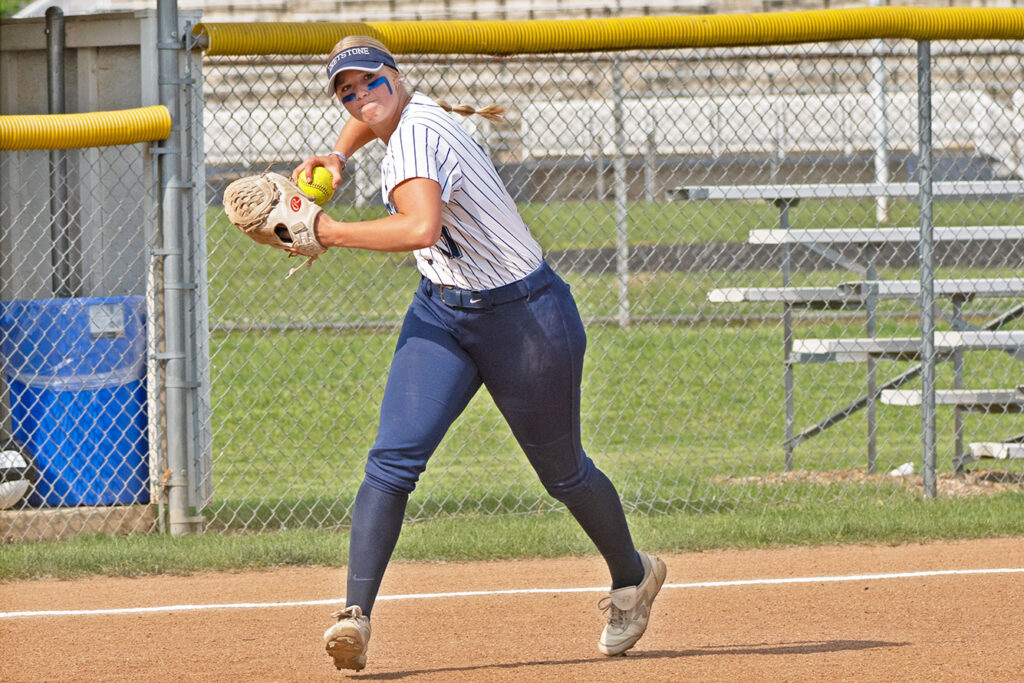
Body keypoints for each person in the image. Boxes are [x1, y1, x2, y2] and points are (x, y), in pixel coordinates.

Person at [292, 36, 666, 672]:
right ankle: (354, 617)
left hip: (525, 319)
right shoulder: (414, 110)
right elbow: (372, 117)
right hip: (443, 310)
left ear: (396, 74)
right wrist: (338, 149)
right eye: (345, 90)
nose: (360, 95)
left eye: (369, 80)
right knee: (391, 460)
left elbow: (419, 229)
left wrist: (325, 230)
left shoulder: (416, 137)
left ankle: (633, 576)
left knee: (564, 473)